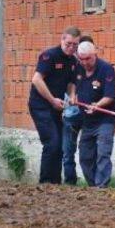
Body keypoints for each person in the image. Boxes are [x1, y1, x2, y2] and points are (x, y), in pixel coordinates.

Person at [29, 26, 81, 184]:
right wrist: (52, 100)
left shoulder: (73, 61)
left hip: (57, 107)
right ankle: (45, 184)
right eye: (69, 44)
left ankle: (55, 184)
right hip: (41, 106)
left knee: (59, 146)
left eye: (75, 45)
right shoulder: (50, 55)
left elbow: (72, 83)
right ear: (62, 40)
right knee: (52, 142)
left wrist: (72, 96)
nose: (71, 48)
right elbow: (36, 80)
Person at [73, 41, 115, 188]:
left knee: (103, 153)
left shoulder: (106, 69)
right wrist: (73, 95)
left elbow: (110, 96)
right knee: (85, 157)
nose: (85, 62)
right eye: (82, 59)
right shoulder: (78, 68)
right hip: (87, 120)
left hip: (106, 119)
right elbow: (72, 84)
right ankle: (93, 186)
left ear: (95, 55)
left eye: (88, 59)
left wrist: (97, 105)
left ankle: (101, 186)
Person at [61, 35, 93, 185]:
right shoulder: (72, 65)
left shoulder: (98, 68)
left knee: (88, 152)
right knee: (68, 151)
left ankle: (95, 184)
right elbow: (67, 85)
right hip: (71, 113)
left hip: (88, 115)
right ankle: (70, 182)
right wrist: (73, 95)